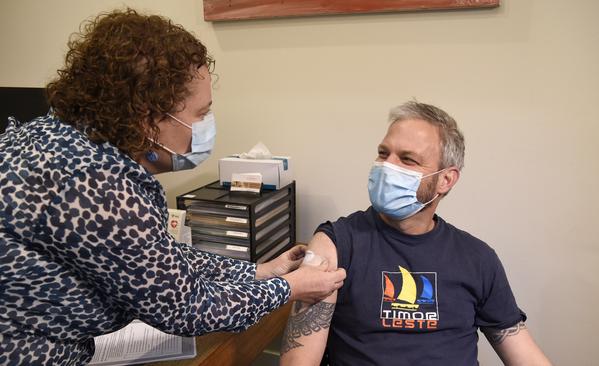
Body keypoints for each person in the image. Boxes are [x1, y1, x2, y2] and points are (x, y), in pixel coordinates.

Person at [0, 9, 345, 365]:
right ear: (147, 117)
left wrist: (258, 271)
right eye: (201, 113)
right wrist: (289, 288)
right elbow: (186, 308)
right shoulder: (94, 182)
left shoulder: (54, 137)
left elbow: (156, 257)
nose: (207, 124)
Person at [280, 101, 552, 365]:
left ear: (446, 180)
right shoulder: (337, 244)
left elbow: (523, 353)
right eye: (384, 153)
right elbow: (298, 360)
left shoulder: (478, 259)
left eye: (407, 159)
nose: (388, 167)